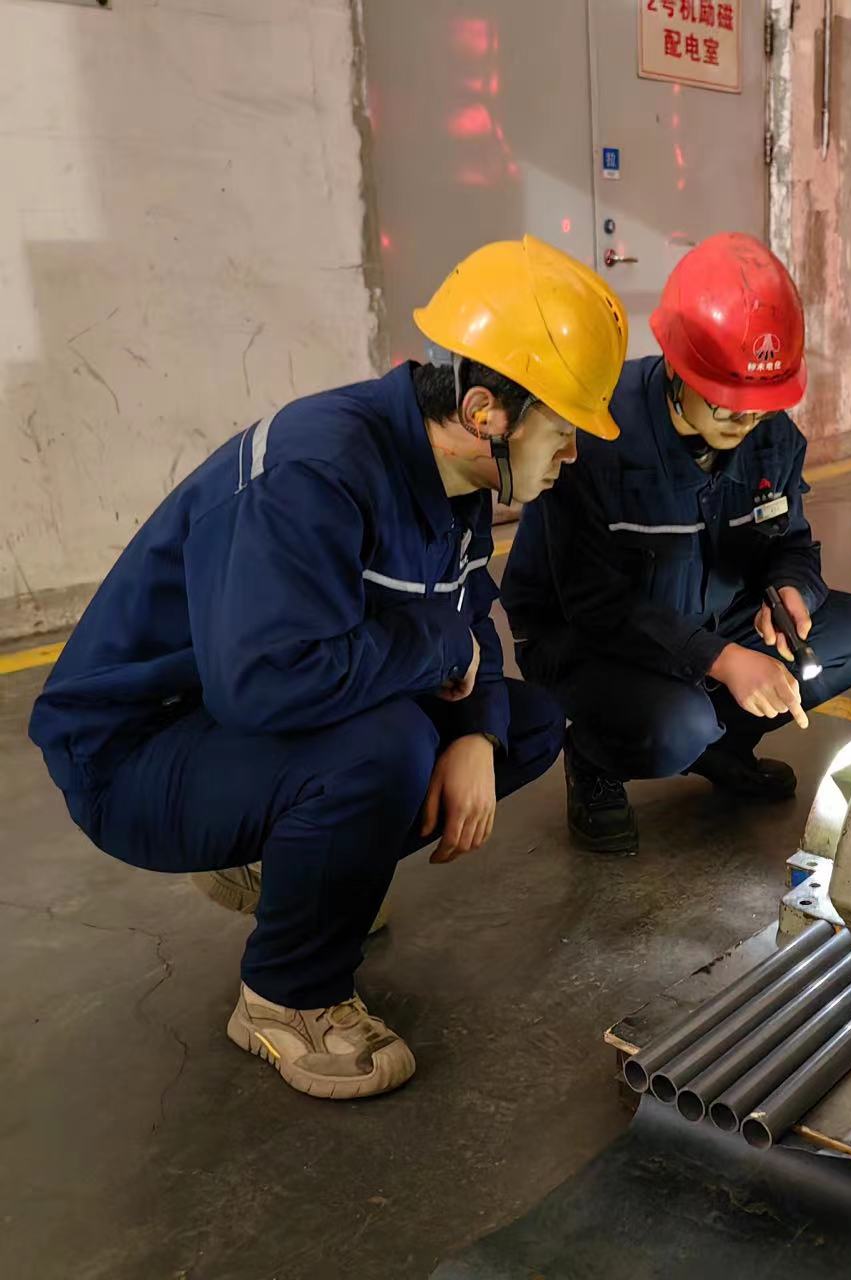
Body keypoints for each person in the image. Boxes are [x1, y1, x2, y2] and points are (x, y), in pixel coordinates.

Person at [28, 236, 629, 1100]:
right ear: (486, 411)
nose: (570, 456)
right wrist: (438, 645)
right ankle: (287, 996)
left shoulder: (450, 476)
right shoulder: (316, 472)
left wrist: (475, 734)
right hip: (136, 751)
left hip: (234, 727)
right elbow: (265, 682)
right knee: (385, 751)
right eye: (563, 431)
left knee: (522, 726)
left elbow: (468, 625)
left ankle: (299, 865)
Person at [502, 232, 851, 856]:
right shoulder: (599, 435)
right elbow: (593, 603)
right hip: (592, 642)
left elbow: (789, 540)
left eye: (760, 408)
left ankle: (722, 747)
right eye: (729, 404)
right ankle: (596, 759)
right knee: (678, 723)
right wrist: (722, 660)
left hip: (713, 617)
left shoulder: (769, 433)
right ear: (679, 366)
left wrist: (791, 590)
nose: (747, 421)